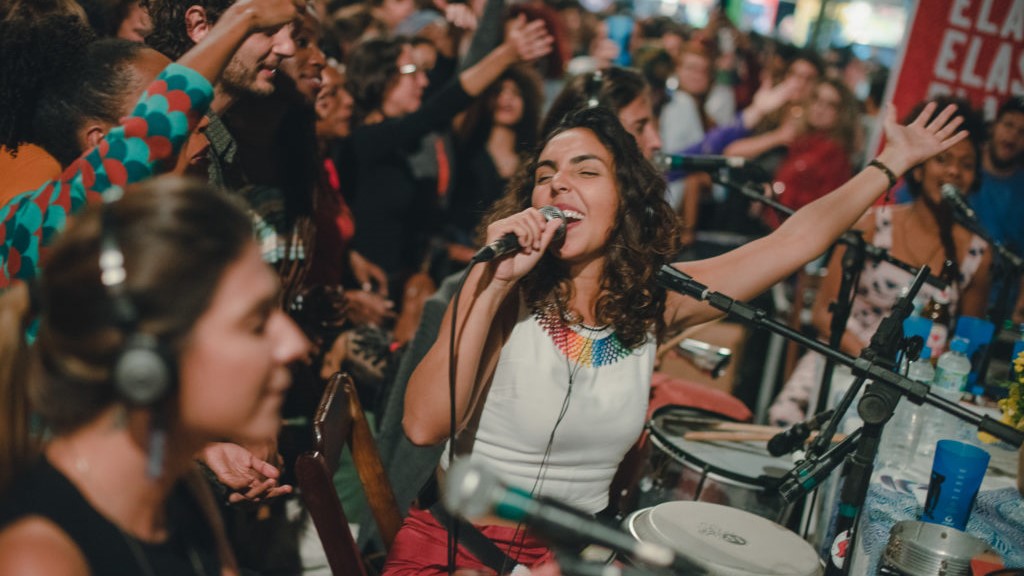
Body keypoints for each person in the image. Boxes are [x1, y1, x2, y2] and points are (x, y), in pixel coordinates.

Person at [385, 98, 967, 574]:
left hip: (570, 559)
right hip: (459, 551)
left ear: (626, 204)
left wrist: (891, 163)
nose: (558, 185)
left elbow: (794, 241)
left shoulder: (652, 306)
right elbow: (422, 425)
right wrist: (488, 286)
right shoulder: (501, 288)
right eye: (545, 176)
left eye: (586, 172)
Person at [0, 176, 309, 573]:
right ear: (145, 361)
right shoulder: (40, 559)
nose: (295, 344)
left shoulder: (178, 484)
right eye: (254, 322)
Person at [0, 0, 303, 289]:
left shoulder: (168, 238)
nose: (204, 121)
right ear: (101, 142)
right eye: (180, 114)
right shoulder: (36, 226)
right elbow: (149, 135)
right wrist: (244, 18)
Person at [770, 97, 990, 425]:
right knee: (787, 419)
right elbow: (823, 313)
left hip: (911, 382)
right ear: (918, 167)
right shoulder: (872, 224)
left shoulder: (977, 254)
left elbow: (967, 343)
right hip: (843, 357)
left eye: (966, 164)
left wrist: (911, 372)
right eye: (941, 159)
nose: (954, 171)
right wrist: (871, 360)